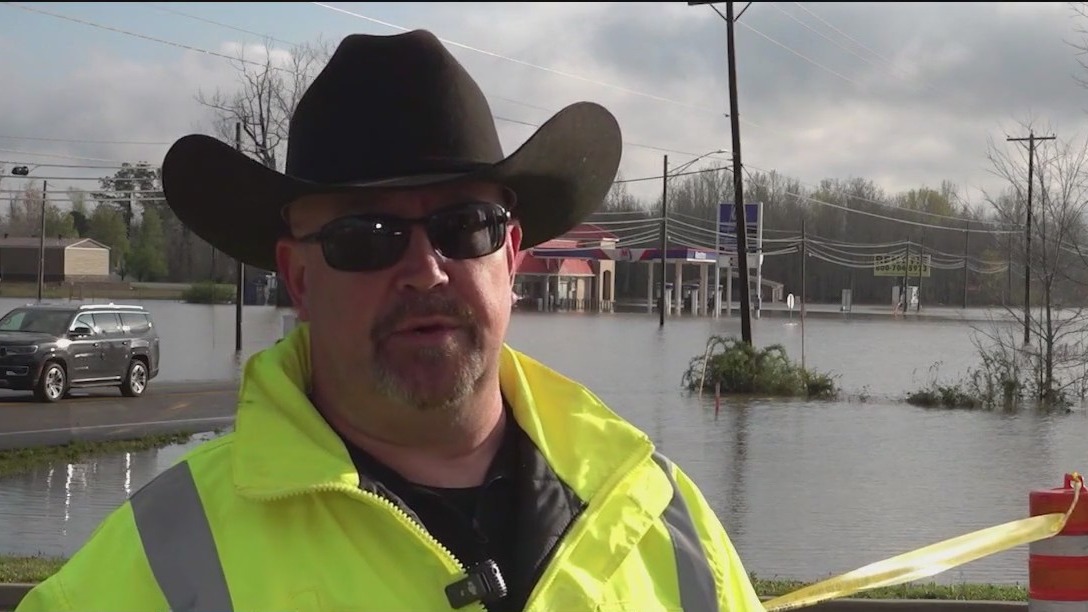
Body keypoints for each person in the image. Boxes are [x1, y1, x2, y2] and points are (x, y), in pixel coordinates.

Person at [15, 30, 765, 612]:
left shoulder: (665, 520)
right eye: (364, 238)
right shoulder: (161, 564)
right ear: (298, 277)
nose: (426, 269)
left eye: (463, 225)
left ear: (511, 256)